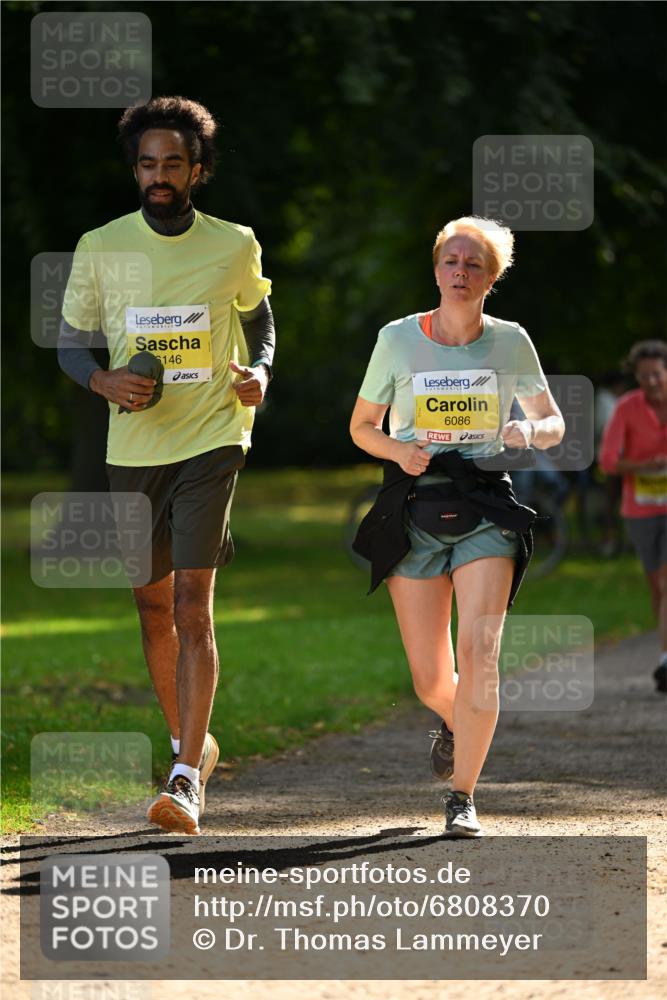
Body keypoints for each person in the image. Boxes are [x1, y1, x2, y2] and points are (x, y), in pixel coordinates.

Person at [57, 96, 275, 834]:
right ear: (137, 169)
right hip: (135, 448)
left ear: (197, 170)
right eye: (148, 163)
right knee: (151, 606)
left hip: (213, 438)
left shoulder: (233, 244)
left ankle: (183, 779)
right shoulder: (100, 244)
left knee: (191, 603)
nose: (159, 175)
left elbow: (259, 316)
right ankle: (194, 741)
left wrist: (262, 372)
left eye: (173, 164)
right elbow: (69, 341)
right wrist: (102, 380)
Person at [350, 217, 564, 838]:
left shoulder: (510, 342)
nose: (461, 273)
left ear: (491, 278)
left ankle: (462, 796)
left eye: (475, 265)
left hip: (485, 511)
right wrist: (398, 451)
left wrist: (529, 431)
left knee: (480, 657)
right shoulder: (396, 340)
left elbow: (552, 422)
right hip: (414, 506)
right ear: (437, 269)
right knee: (431, 680)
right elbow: (362, 426)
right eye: (452, 261)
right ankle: (460, 721)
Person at [599, 341, 667, 692]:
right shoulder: (627, 408)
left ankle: (666, 661)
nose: (652, 382)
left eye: (656, 374)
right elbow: (608, 460)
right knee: (656, 584)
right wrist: (643, 466)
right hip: (640, 507)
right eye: (644, 377)